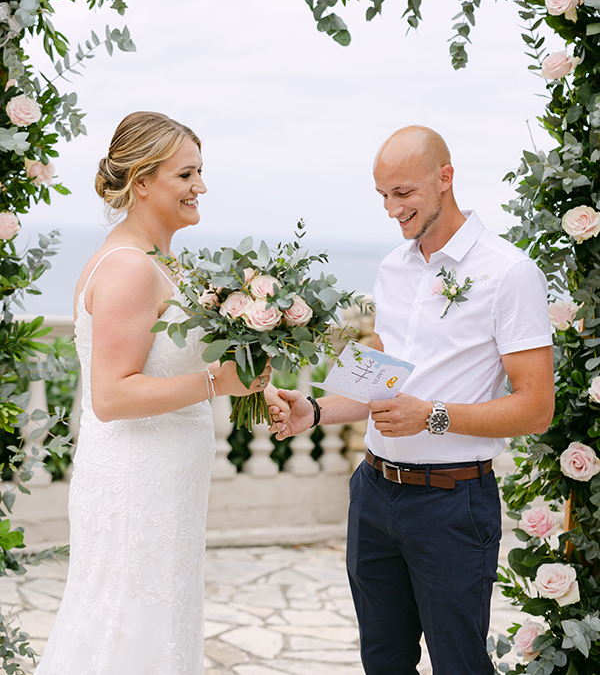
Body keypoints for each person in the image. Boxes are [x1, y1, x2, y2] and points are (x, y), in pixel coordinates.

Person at [268, 125, 554, 675]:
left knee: (458, 664)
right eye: (383, 195)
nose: (392, 209)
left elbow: (537, 408)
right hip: (373, 493)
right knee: (382, 661)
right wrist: (316, 411)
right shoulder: (392, 268)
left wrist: (433, 416)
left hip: (452, 505)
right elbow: (381, 382)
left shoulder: (510, 273)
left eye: (403, 193)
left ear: (445, 178)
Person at [35, 111, 276, 675]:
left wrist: (254, 384)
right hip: (135, 482)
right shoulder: (129, 269)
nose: (200, 187)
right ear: (142, 182)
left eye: (200, 172)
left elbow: (170, 363)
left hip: (166, 483)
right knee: (126, 626)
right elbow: (111, 396)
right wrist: (217, 383)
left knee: (158, 624)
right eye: (186, 175)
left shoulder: (160, 263)